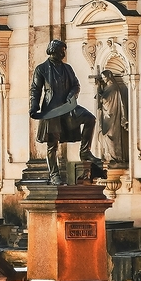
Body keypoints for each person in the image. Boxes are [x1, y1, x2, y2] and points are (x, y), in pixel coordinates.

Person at [29, 40, 101, 182]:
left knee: (90, 118)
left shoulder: (67, 68)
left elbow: (76, 85)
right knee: (52, 143)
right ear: (53, 50)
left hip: (69, 107)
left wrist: (72, 94)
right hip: (52, 109)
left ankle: (85, 151)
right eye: (62, 50)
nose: (63, 53)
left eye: (64, 50)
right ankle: (54, 174)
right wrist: (34, 106)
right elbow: (35, 90)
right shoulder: (41, 68)